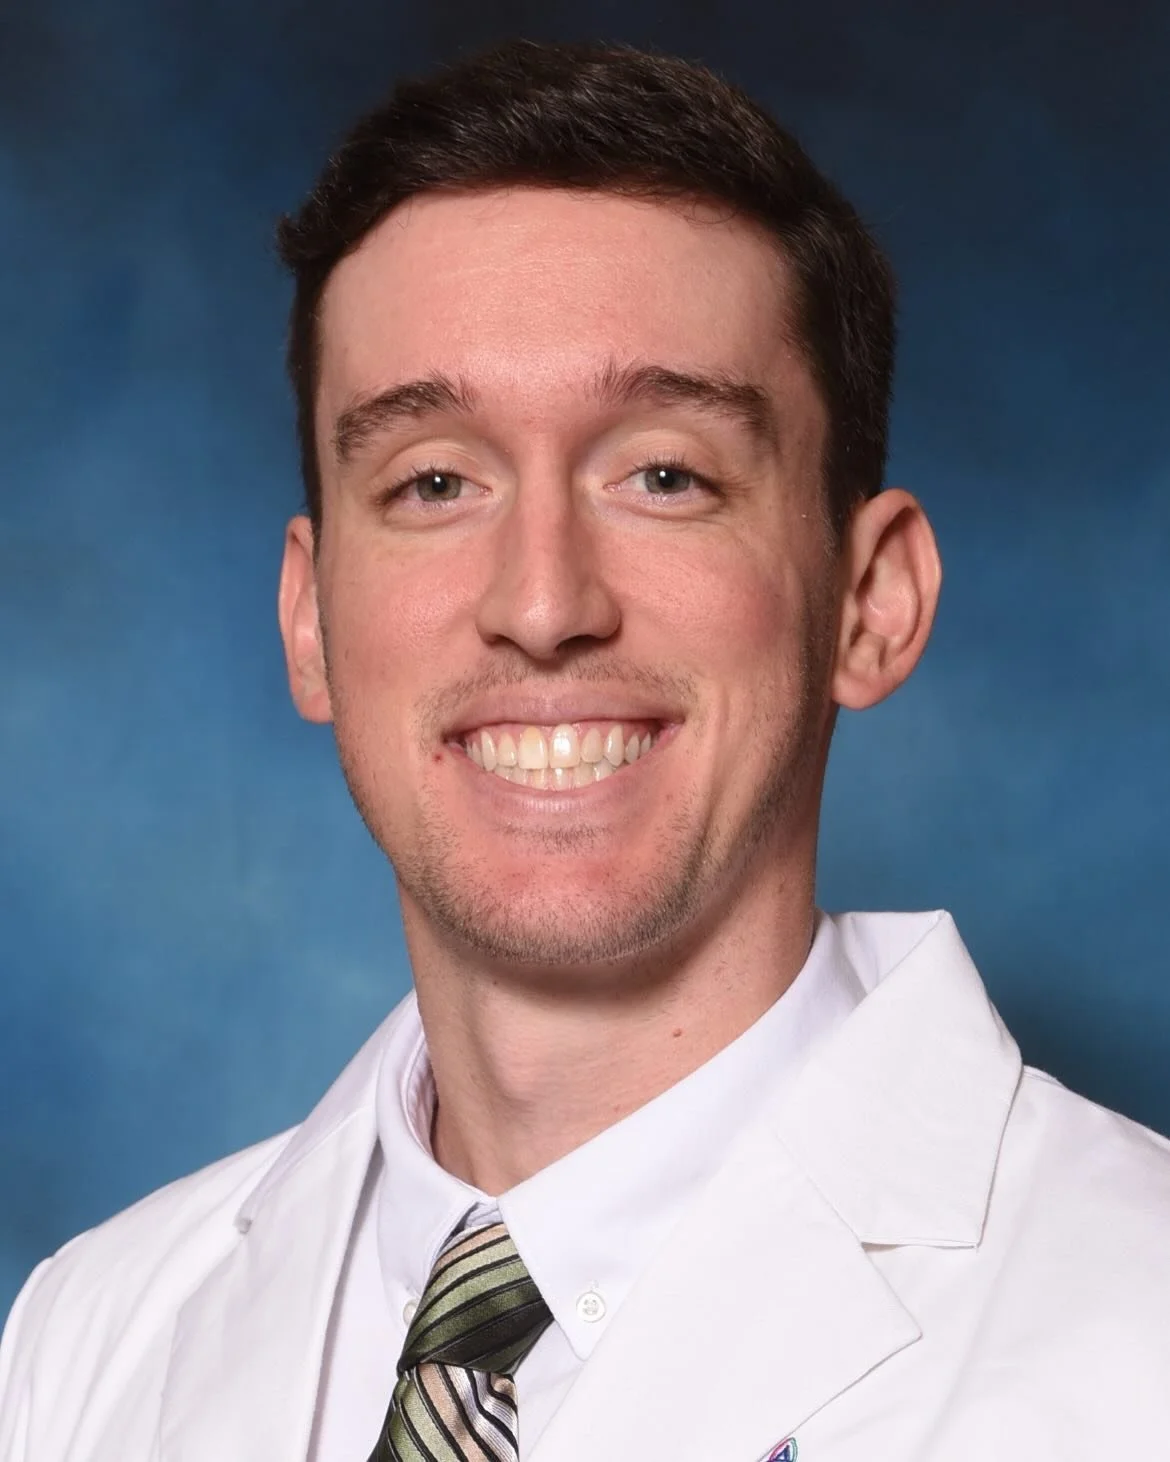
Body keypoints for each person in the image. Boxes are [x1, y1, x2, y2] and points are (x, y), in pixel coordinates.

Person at [2, 38, 1168, 1462]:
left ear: (870, 603)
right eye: (435, 481)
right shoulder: (88, 1343)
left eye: (664, 475)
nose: (544, 603)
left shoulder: (1138, 1334)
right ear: (310, 621)